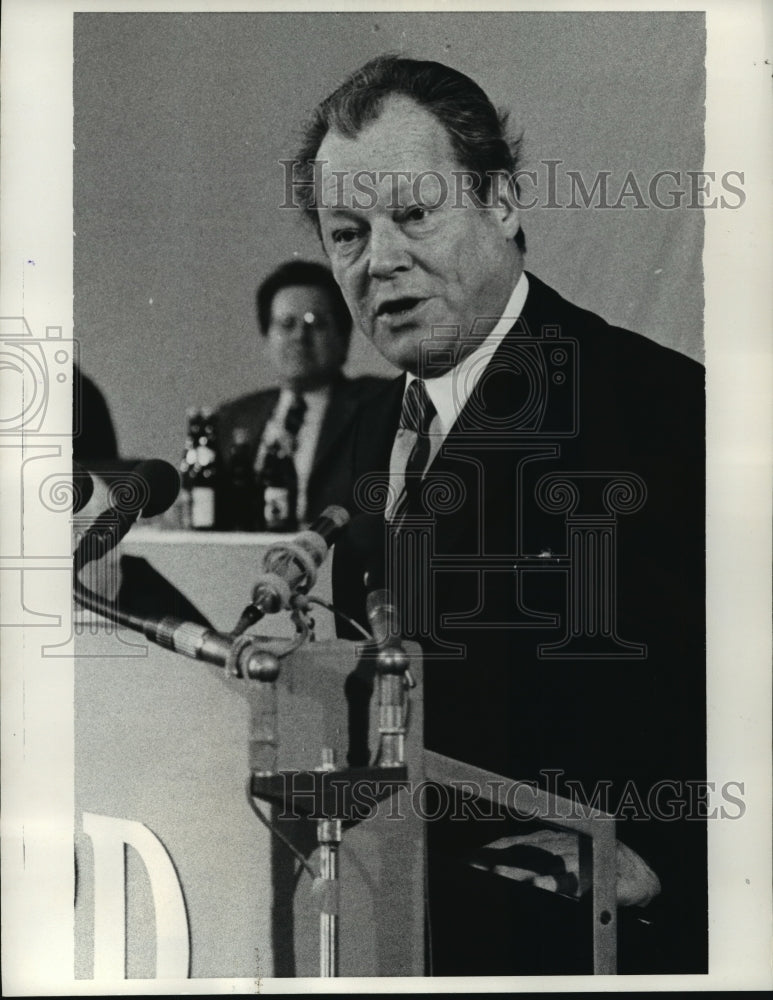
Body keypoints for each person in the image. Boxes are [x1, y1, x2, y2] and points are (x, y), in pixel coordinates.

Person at [290, 55, 706, 975]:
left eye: (414, 213)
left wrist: (670, 864)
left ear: (503, 204)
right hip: (409, 925)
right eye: (347, 233)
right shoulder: (369, 430)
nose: (381, 260)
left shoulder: (661, 408)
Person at [215, 259, 388, 525]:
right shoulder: (231, 418)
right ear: (266, 338)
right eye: (286, 324)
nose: (299, 336)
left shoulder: (380, 406)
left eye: (316, 323)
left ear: (343, 338)